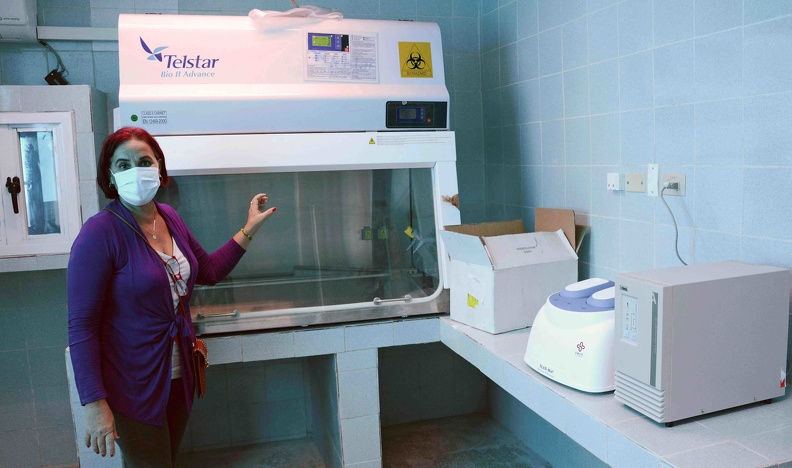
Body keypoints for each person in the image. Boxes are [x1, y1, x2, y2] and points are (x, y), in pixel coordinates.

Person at [67, 126, 276, 466]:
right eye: (123, 165)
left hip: (178, 375)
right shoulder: (99, 233)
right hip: (131, 384)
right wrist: (94, 403)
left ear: (159, 168)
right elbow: (82, 327)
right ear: (110, 174)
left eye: (143, 161)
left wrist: (248, 228)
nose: (135, 171)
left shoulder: (170, 218)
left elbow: (207, 271)